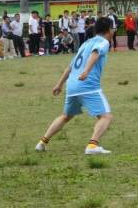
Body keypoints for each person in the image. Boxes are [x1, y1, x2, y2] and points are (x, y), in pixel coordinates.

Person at [35, 17, 114, 155]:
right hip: (88, 86)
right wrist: (86, 71)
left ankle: (42, 142)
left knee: (66, 116)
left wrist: (59, 84)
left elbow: (70, 66)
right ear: (110, 30)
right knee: (106, 117)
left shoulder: (85, 44)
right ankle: (92, 145)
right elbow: (96, 53)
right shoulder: (103, 42)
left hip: (72, 86)